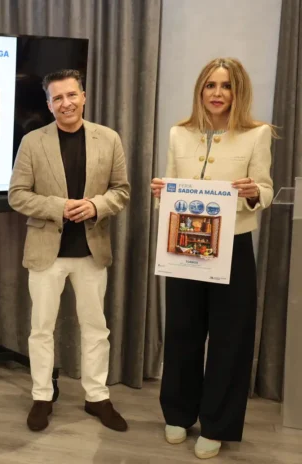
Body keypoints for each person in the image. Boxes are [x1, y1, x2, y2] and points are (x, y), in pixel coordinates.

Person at [151, 58, 274, 460]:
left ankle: (217, 423)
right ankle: (178, 413)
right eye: (210, 85)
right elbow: (169, 185)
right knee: (182, 331)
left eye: (226, 86)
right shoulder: (179, 133)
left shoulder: (257, 134)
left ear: (238, 92)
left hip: (232, 247)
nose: (217, 93)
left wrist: (253, 192)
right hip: (183, 243)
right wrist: (162, 193)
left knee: (229, 338)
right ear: (200, 91)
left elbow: (265, 190)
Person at [8, 69, 131, 433]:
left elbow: (121, 191)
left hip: (92, 251)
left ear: (84, 96)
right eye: (58, 98)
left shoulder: (109, 139)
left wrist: (95, 206)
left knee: (96, 328)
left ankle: (97, 397)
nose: (66, 103)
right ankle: (42, 396)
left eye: (72, 95)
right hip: (46, 251)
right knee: (41, 330)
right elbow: (17, 195)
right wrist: (57, 207)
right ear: (49, 105)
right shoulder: (32, 142)